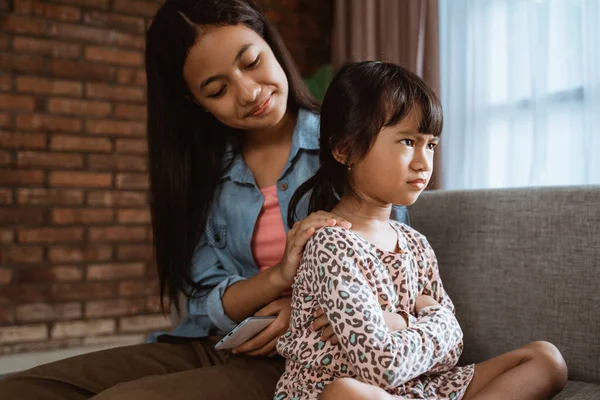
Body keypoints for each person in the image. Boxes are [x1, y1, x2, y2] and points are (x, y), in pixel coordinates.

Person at [0, 2, 410, 400]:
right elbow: (198, 297)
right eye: (217, 89)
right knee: (20, 389)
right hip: (213, 344)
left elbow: (398, 274)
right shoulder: (202, 174)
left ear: (270, 44)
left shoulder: (350, 147)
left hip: (306, 361)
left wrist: (302, 312)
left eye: (251, 63)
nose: (249, 93)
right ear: (194, 101)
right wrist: (276, 280)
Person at [275, 61, 568, 400]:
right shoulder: (330, 244)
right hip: (347, 392)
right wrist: (422, 316)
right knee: (346, 393)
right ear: (346, 149)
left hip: (418, 389)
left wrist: (399, 323)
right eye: (407, 141)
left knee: (546, 359)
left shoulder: (415, 244)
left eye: (430, 144)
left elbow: (453, 348)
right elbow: (380, 367)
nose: (424, 162)